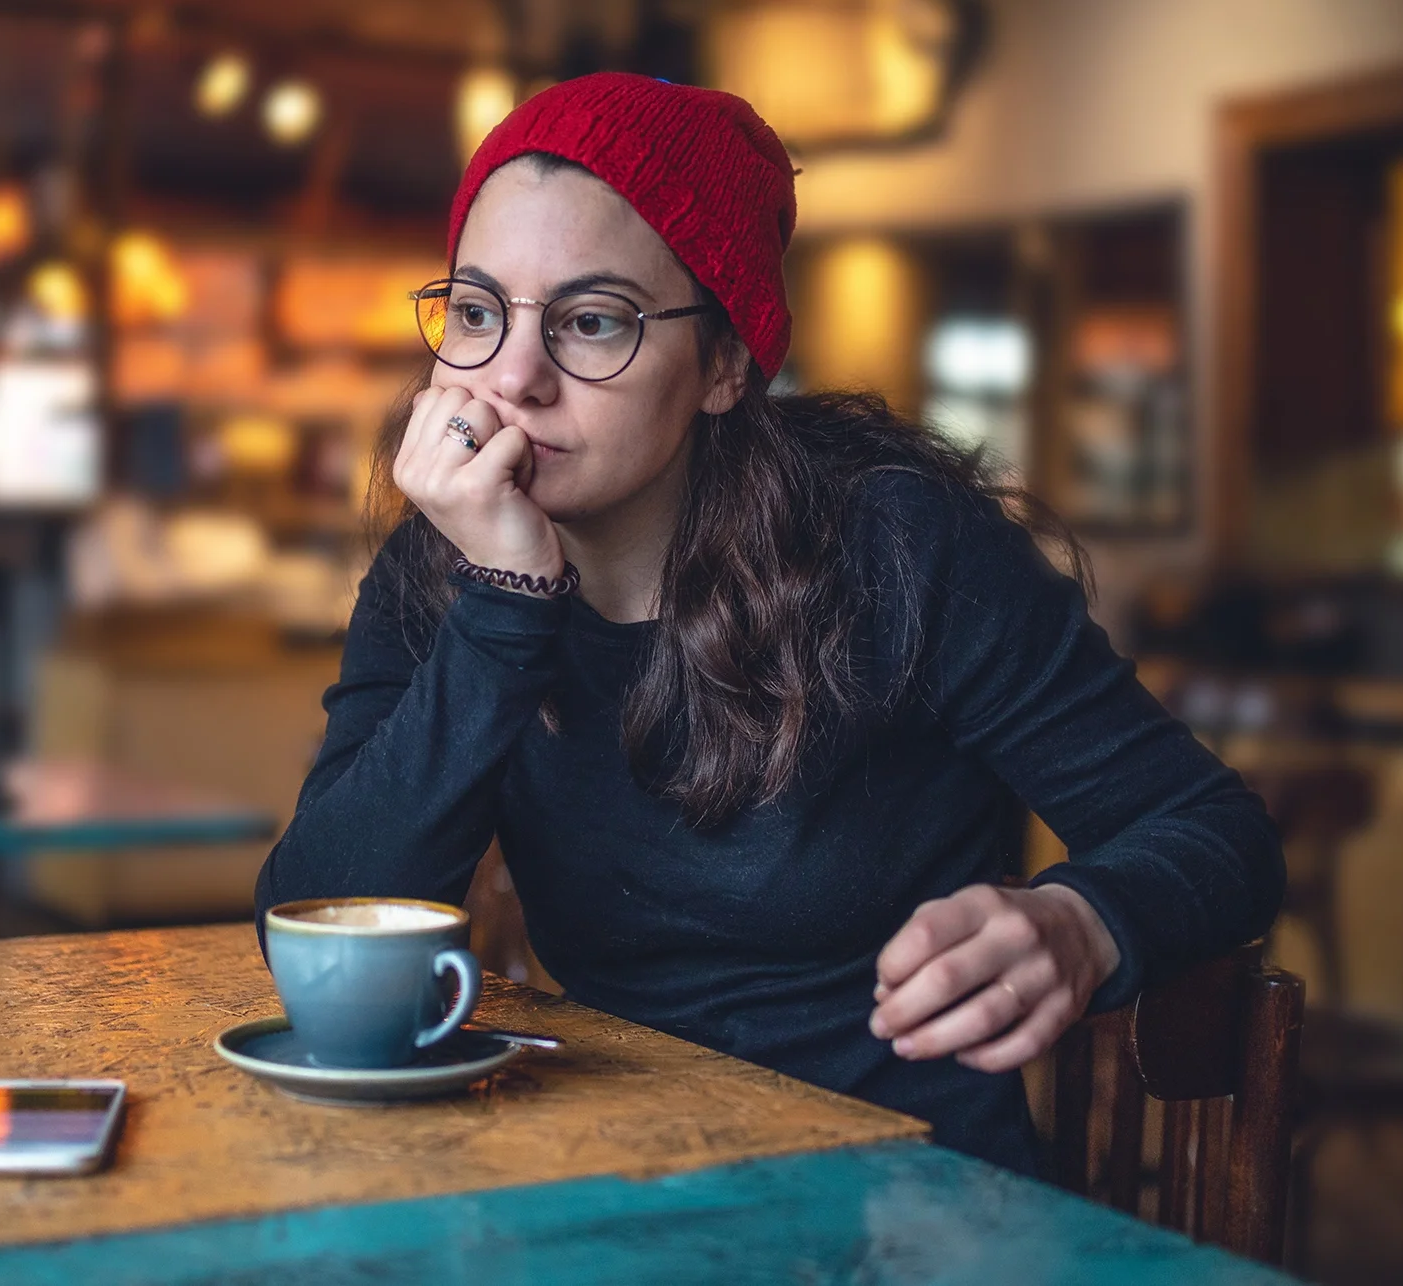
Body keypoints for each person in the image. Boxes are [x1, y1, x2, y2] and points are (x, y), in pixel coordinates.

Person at [255, 73, 1283, 1173]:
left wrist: (1084, 923)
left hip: (905, 1199)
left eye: (592, 321)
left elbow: (1218, 832)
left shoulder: (895, 546)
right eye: (475, 312)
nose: (512, 378)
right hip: (610, 1187)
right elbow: (314, 920)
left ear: (725, 365)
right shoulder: (445, 562)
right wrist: (502, 605)